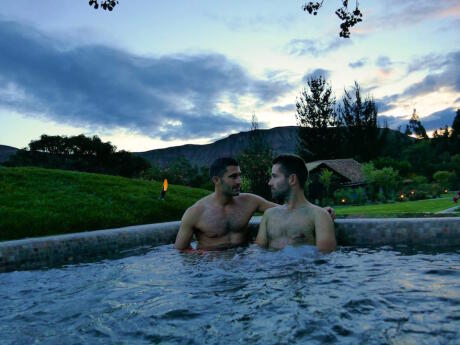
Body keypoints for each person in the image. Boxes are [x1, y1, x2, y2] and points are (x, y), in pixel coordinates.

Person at [174, 157, 335, 250]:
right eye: (233, 177)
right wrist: (202, 257)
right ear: (216, 180)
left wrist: (321, 212)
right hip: (211, 269)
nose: (239, 181)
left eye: (239, 175)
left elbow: (288, 210)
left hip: (244, 264)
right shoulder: (195, 212)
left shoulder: (250, 201)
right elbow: (180, 250)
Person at [255, 154, 336, 252]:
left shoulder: (319, 216)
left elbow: (326, 258)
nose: (270, 183)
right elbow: (258, 253)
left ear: (292, 179)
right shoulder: (269, 215)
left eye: (275, 176)